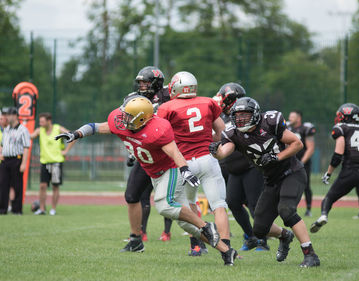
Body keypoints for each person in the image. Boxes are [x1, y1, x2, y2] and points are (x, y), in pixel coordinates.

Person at [55, 96, 237, 265]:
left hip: (169, 170)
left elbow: (175, 152)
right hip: (153, 173)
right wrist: (76, 134)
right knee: (184, 223)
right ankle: (226, 251)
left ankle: (206, 226)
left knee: (164, 205)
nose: (122, 118)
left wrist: (185, 170)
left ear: (141, 119)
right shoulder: (120, 122)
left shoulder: (158, 129)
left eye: (128, 116)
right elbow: (95, 127)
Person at [210, 97, 320, 267]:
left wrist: (277, 157)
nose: (240, 119)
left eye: (244, 115)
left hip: (292, 172)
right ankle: (285, 236)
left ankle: (310, 254)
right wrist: (216, 152)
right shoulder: (233, 133)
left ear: (254, 114)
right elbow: (224, 152)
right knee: (260, 229)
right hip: (271, 180)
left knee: (287, 211)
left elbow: (297, 144)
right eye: (237, 116)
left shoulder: (270, 122)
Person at [157, 71, 231, 256]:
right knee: (218, 204)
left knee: (190, 203)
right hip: (208, 159)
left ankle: (197, 245)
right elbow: (222, 133)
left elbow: (161, 137)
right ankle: (227, 248)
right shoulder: (208, 102)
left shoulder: (167, 107)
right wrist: (207, 139)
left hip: (184, 164)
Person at [311, 103, 359, 240]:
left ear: (345, 116)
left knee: (329, 198)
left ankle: (324, 215)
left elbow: (338, 154)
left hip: (350, 170)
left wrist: (329, 173)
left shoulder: (341, 128)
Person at [122, 66, 173, 245]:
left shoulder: (170, 95)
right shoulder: (133, 99)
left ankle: (196, 242)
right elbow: (128, 127)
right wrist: (132, 151)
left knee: (173, 202)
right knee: (132, 196)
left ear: (156, 82)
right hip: (146, 155)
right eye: (141, 82)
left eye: (146, 82)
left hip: (169, 154)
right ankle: (136, 238)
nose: (142, 85)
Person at [214, 83, 267, 251]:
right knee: (233, 202)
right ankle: (251, 236)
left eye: (223, 99)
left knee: (254, 205)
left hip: (250, 166)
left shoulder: (247, 116)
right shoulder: (223, 117)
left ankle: (262, 240)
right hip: (234, 168)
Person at [30, 112, 76, 215]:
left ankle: (53, 209)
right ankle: (42, 209)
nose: (40, 123)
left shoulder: (57, 129)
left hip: (56, 163)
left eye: (42, 121)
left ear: (48, 121)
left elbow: (72, 136)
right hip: (44, 162)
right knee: (42, 186)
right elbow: (30, 136)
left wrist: (66, 151)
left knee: (55, 186)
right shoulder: (39, 130)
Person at [0, 107, 30, 215]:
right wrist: (1, 154)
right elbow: (2, 144)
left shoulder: (23, 129)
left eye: (9, 115)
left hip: (16, 159)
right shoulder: (7, 129)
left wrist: (23, 163)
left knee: (17, 185)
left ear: (15, 116)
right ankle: (2, 209)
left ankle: (17, 209)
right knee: (3, 184)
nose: (7, 117)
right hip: (5, 160)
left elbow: (26, 147)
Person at [288, 111, 316, 217]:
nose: (290, 118)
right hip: (290, 162)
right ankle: (291, 207)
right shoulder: (288, 129)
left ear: (298, 118)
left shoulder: (306, 129)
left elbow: (310, 148)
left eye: (292, 117)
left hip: (303, 163)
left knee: (305, 185)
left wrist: (301, 162)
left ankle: (308, 209)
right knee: (289, 184)